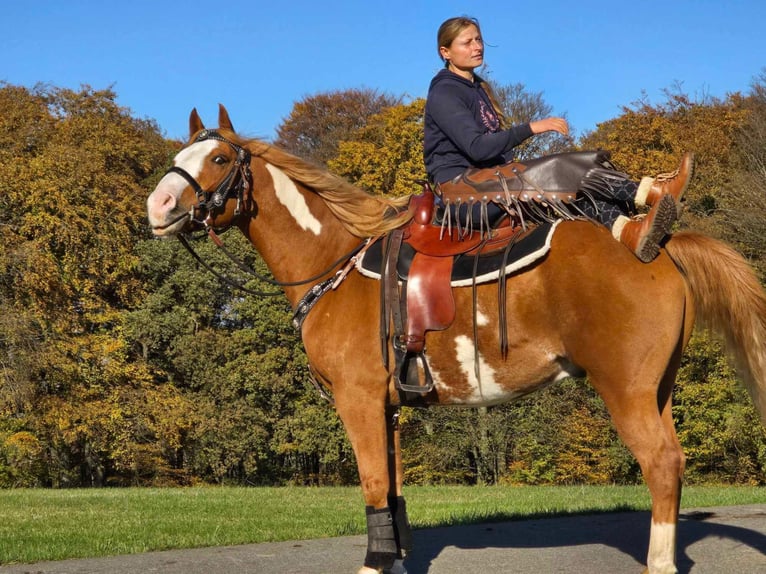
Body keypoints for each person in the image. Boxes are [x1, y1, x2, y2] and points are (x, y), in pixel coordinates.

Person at [423, 16, 694, 262]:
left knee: (569, 191)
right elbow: (478, 148)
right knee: (558, 169)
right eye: (467, 42)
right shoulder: (445, 93)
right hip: (460, 193)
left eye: (478, 39)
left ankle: (630, 231)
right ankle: (654, 192)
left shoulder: (477, 88)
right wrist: (532, 127)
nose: (477, 46)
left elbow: (492, 153)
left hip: (488, 181)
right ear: (445, 52)